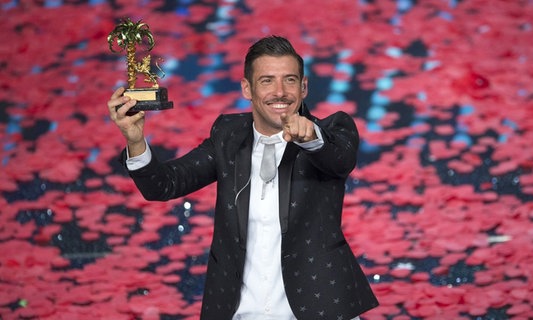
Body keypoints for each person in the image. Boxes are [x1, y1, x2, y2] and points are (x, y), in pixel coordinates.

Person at [107, 35, 378, 320]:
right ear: (247, 88)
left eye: (289, 80)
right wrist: (135, 140)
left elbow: (340, 159)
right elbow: (164, 184)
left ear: (304, 86)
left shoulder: (333, 130)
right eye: (266, 81)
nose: (280, 92)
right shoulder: (227, 137)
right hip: (240, 312)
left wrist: (310, 137)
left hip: (321, 309)